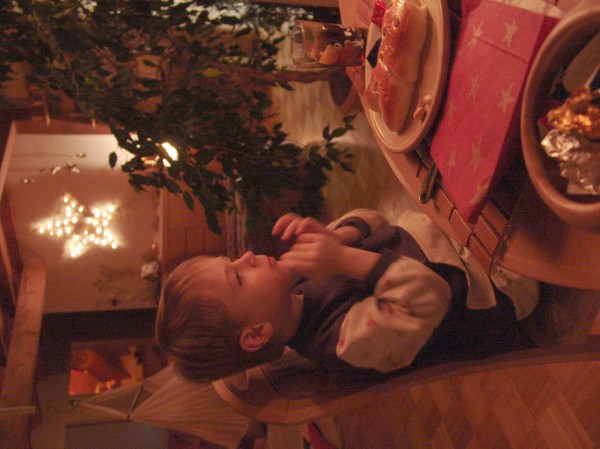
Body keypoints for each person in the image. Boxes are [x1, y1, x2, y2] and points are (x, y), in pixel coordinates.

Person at [155, 208, 539, 383]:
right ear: (256, 333)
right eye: (238, 276)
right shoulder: (344, 343)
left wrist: (336, 236)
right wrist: (343, 258)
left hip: (452, 235)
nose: (248, 256)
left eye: (232, 259)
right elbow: (429, 296)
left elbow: (377, 219)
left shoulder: (296, 283)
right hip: (491, 288)